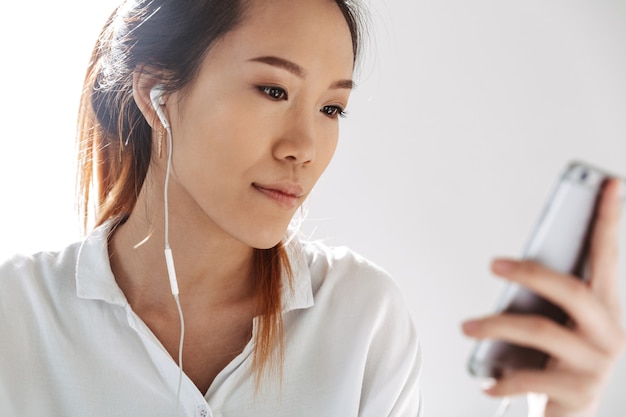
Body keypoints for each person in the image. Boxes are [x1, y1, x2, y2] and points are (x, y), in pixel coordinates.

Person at [0, 0, 622, 416]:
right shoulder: (16, 315)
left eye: (331, 109)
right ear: (155, 93)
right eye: (273, 89)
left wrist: (557, 411)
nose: (304, 148)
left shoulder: (359, 314)